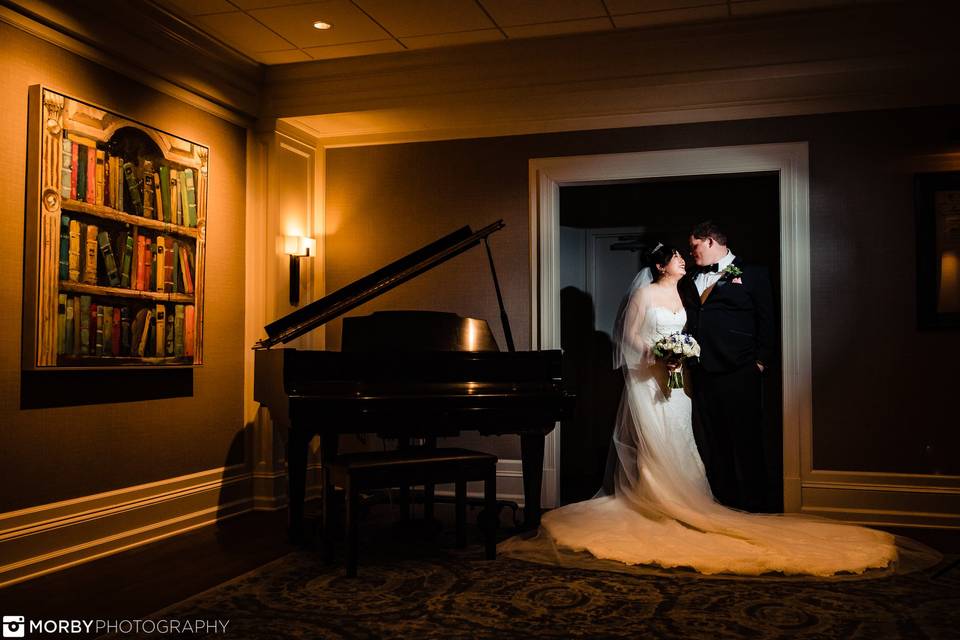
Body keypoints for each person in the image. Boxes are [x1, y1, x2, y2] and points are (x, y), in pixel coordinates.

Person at [499, 243, 900, 576]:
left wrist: (682, 355)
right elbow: (628, 338)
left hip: (680, 383)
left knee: (682, 438)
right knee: (656, 442)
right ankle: (655, 502)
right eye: (676, 257)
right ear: (660, 265)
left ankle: (692, 499)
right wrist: (659, 356)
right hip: (648, 380)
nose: (683, 261)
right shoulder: (644, 294)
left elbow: (693, 330)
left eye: (684, 255)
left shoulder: (685, 292)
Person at [679, 220, 773, 512]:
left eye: (694, 246)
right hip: (703, 373)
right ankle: (724, 507)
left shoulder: (753, 274)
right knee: (714, 443)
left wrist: (759, 361)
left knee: (747, 442)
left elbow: (766, 320)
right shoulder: (688, 278)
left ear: (709, 241)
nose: (690, 252)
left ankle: (756, 507)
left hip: (740, 372)